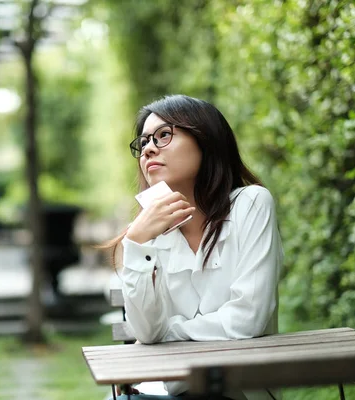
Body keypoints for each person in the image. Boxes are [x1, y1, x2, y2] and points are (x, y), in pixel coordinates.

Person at [107, 95, 283, 400]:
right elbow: (148, 333)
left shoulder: (251, 204)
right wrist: (135, 243)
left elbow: (248, 319)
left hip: (240, 393)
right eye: (144, 141)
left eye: (164, 135)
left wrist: (171, 332)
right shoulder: (152, 233)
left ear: (206, 140)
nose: (148, 149)